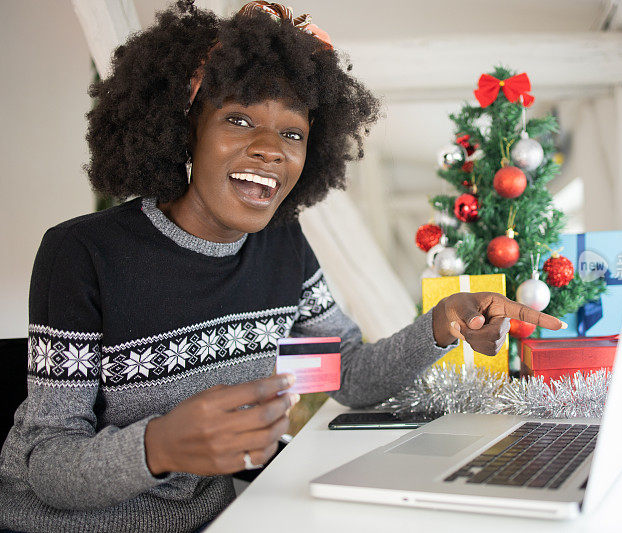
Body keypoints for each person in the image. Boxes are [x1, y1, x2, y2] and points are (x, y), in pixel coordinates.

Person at [0, 2, 566, 531]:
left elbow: (349, 375)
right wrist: (159, 445)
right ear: (185, 132)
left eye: (293, 132)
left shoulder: (284, 246)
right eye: (240, 121)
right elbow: (43, 463)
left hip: (224, 517)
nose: (272, 148)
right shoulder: (83, 255)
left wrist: (440, 324)